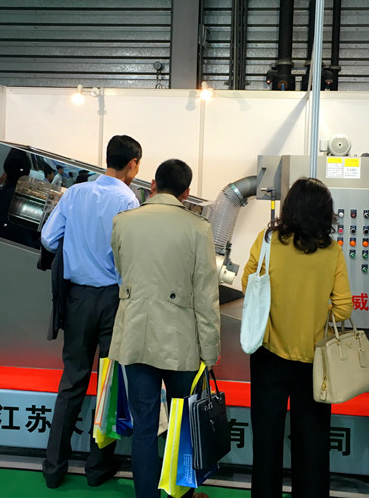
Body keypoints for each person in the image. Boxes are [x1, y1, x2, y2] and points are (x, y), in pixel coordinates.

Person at [109, 159, 220, 498]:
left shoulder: (124, 221)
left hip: (135, 335)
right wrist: (211, 351)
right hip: (180, 340)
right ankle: (181, 495)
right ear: (186, 193)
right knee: (183, 425)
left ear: (154, 185)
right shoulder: (198, 228)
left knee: (144, 427)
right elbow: (206, 295)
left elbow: (121, 269)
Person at [39, 135, 142, 489]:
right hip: (114, 300)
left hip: (78, 299)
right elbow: (130, 255)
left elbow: (48, 238)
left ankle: (54, 467)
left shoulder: (75, 193)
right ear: (133, 165)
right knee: (110, 382)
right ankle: (98, 468)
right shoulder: (128, 200)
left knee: (72, 380)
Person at [241, 177, 353, 498]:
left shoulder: (267, 241)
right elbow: (343, 308)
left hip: (268, 356)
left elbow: (248, 284)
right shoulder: (331, 251)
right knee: (313, 442)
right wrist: (317, 310)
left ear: (289, 207)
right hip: (314, 362)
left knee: (267, 441)